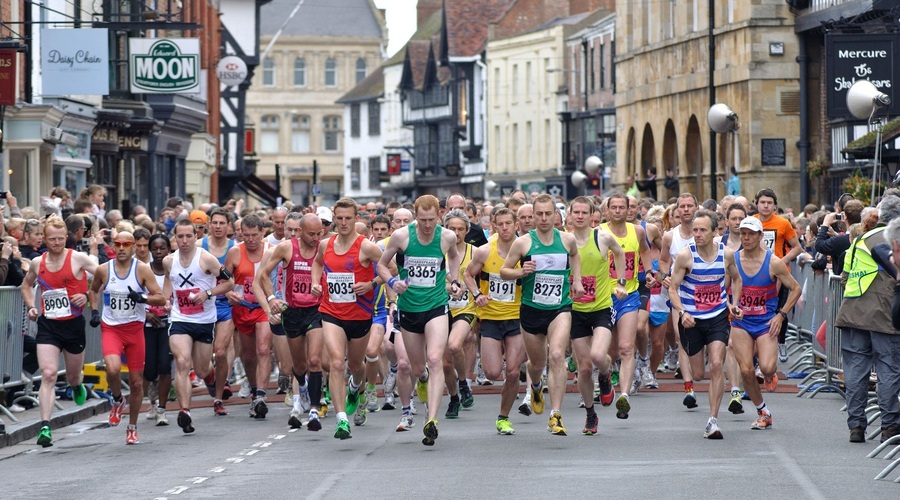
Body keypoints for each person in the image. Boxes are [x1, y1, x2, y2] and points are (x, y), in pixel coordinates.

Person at [377, 195, 462, 446]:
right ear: (415, 216)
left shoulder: (446, 237)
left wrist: (454, 280)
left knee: (435, 358)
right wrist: (393, 283)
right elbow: (381, 266)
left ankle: (432, 419)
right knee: (416, 368)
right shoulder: (402, 237)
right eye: (422, 220)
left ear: (439, 216)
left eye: (432, 220)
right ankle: (422, 379)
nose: (427, 225)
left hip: (436, 305)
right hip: (409, 309)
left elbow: (455, 257)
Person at [501, 194, 583, 436]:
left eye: (549, 214)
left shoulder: (567, 240)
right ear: (532, 216)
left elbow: (575, 256)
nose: (544, 218)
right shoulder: (523, 243)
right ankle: (536, 385)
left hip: (560, 307)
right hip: (531, 310)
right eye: (540, 214)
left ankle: (555, 415)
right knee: (536, 363)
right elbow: (504, 271)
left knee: (557, 354)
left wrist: (576, 279)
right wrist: (520, 272)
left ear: (556, 216)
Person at [20, 216, 99, 447]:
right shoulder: (38, 262)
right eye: (51, 239)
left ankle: (76, 385)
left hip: (73, 325)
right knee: (48, 374)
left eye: (60, 238)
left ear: (67, 237)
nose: (56, 243)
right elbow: (26, 285)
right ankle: (45, 426)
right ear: (44, 239)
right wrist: (32, 306)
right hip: (48, 325)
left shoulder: (78, 258)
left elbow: (102, 276)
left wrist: (85, 295)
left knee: (73, 376)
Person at [313, 198, 385, 440]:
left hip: (360, 315)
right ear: (334, 218)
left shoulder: (366, 246)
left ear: (357, 219)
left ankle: (357, 388)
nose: (343, 222)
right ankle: (341, 419)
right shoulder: (325, 244)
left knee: (356, 366)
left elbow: (392, 269)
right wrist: (315, 282)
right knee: (335, 362)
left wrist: (372, 283)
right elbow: (317, 263)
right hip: (331, 311)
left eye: (348, 218)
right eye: (339, 218)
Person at [668, 209, 743, 439]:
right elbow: (672, 288)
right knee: (699, 374)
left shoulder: (726, 254)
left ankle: (713, 421)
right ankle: (705, 397)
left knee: (718, 364)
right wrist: (682, 312)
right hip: (692, 320)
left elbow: (737, 279)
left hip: (718, 315)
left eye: (702, 230)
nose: (697, 234)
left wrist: (734, 303)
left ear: (714, 232)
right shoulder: (685, 256)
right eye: (695, 231)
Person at [88, 231, 166, 444]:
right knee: (112, 369)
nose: (122, 247)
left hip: (134, 329)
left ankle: (132, 427)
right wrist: (94, 311)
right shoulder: (104, 269)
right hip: (111, 328)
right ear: (114, 246)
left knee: (136, 382)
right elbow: (93, 290)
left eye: (126, 244)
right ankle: (117, 400)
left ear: (133, 247)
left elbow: (160, 298)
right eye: (118, 244)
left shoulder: (141, 270)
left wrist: (141, 297)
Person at [836, 195, 900, 443]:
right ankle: (890, 426)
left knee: (855, 372)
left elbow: (844, 275)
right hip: (884, 314)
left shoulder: (859, 239)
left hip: (852, 311)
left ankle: (856, 427)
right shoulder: (891, 239)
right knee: (888, 370)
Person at [162, 219, 234, 434]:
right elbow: (168, 279)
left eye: (188, 236)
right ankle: (185, 411)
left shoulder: (207, 259)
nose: (184, 241)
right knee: (182, 361)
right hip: (180, 319)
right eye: (180, 236)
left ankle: (210, 377)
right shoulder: (168, 260)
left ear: (196, 237)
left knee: (202, 369)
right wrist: (167, 299)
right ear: (174, 238)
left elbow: (229, 282)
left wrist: (207, 293)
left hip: (204, 321)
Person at [255, 213, 325, 430]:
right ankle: (302, 388)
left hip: (316, 310)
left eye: (318, 234)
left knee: (314, 361)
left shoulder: (324, 248)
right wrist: (271, 298)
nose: (315, 238)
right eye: (311, 234)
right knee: (298, 365)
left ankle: (314, 410)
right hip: (292, 312)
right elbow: (264, 275)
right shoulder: (286, 248)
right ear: (301, 231)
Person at [730, 217, 801, 432]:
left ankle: (770, 373)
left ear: (761, 236)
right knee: (746, 371)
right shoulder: (732, 260)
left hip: (765, 322)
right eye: (743, 233)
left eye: (751, 233)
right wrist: (730, 305)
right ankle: (763, 411)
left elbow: (796, 288)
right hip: (741, 322)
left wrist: (780, 315)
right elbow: (722, 289)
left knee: (768, 367)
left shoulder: (774, 262)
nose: (747, 237)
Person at [568, 197, 627, 434]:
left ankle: (605, 373)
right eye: (576, 212)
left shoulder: (601, 237)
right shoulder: (564, 241)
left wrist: (621, 282)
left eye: (585, 212)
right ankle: (590, 415)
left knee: (597, 355)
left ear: (593, 215)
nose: (580, 216)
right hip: (575, 311)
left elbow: (620, 253)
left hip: (601, 307)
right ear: (569, 215)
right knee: (583, 368)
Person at [464, 208, 524, 435]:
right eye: (501, 224)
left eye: (509, 223)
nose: (506, 227)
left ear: (516, 224)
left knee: (512, 372)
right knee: (491, 373)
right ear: (494, 226)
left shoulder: (525, 250)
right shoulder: (484, 251)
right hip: (490, 317)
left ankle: (503, 417)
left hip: (517, 317)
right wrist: (477, 294)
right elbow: (468, 274)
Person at [600, 192, 652, 418]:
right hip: (604, 297)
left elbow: (645, 251)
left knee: (626, 348)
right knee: (607, 352)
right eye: (615, 207)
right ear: (608, 210)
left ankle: (624, 395)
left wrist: (649, 271)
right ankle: (604, 378)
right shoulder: (599, 233)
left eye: (623, 207)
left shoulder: (637, 231)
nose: (619, 211)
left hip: (629, 295)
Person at [224, 215, 275, 419]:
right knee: (248, 355)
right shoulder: (235, 252)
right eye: (246, 235)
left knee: (263, 350)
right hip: (242, 308)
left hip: (264, 308)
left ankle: (261, 395)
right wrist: (228, 293)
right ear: (240, 234)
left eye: (255, 235)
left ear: (262, 233)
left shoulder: (271, 250)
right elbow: (224, 279)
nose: (251, 239)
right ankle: (254, 389)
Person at [754, 188, 802, 362]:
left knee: (779, 310)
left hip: (780, 275)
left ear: (775, 206)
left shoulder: (783, 224)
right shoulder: (750, 222)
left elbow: (797, 247)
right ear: (756, 204)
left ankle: (780, 342)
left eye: (769, 203)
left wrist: (782, 260)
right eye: (762, 202)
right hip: (755, 274)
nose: (766, 206)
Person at [199, 208, 236, 412]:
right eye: (215, 223)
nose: (218, 227)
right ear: (209, 225)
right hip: (202, 305)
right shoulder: (199, 246)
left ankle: (219, 397)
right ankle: (210, 376)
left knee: (220, 351)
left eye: (222, 223)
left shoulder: (234, 248)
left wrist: (232, 291)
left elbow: (239, 277)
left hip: (224, 305)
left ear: (229, 226)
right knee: (202, 363)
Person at [442, 209, 477, 419]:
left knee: (455, 345)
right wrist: (450, 288)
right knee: (445, 363)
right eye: (452, 228)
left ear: (467, 230)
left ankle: (463, 382)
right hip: (440, 309)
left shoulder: (475, 252)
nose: (456, 233)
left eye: (460, 229)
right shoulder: (437, 252)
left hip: (466, 308)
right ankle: (454, 398)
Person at [144, 234, 174, 426]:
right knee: (148, 369)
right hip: (147, 323)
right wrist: (146, 314)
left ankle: (162, 409)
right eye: (155, 249)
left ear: (168, 249)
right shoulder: (143, 270)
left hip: (169, 323)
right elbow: (135, 296)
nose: (158, 252)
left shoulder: (174, 269)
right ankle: (152, 398)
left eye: (162, 248)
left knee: (164, 366)